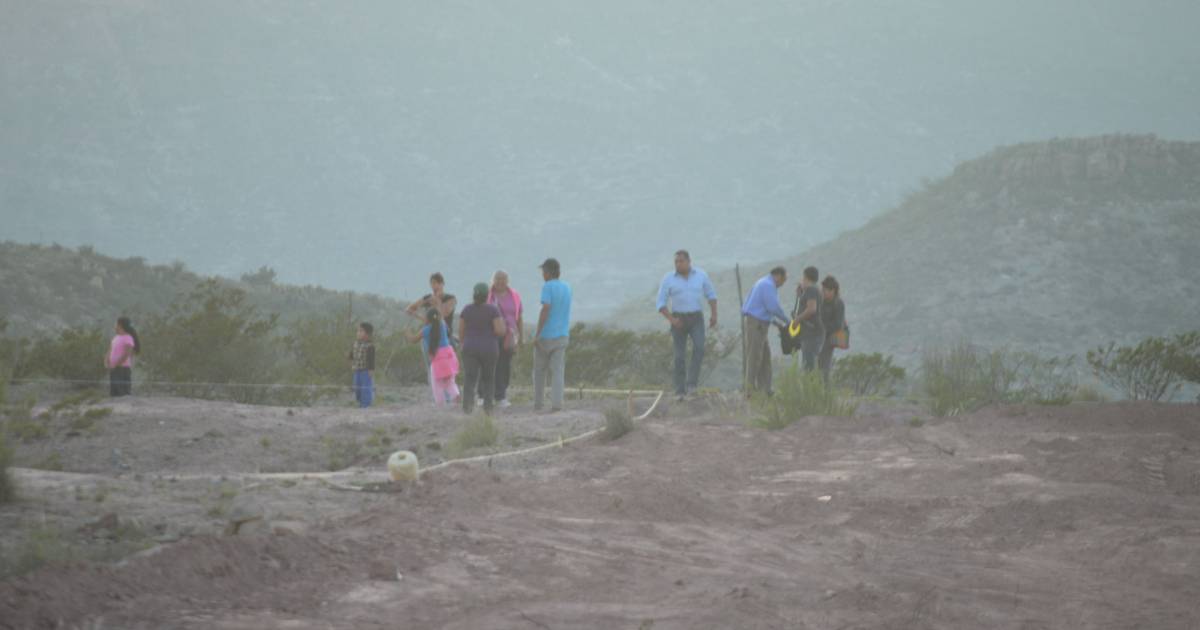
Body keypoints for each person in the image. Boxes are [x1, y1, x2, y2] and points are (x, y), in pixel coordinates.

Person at [656, 249, 718, 401]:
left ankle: (691, 384)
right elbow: (661, 303)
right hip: (678, 318)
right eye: (676, 262)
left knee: (699, 348)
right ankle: (680, 390)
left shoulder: (701, 275)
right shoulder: (668, 278)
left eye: (681, 261)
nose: (678, 264)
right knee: (679, 356)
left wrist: (714, 315)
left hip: (696, 318)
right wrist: (672, 319)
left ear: (689, 261)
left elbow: (711, 295)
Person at [459, 283, 506, 414]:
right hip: (489, 348)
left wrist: (464, 343)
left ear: (474, 295)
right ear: (487, 296)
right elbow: (500, 331)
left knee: (470, 378)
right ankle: (488, 409)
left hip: (470, 348)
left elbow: (461, 331)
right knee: (488, 379)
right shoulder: (493, 310)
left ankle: (467, 408)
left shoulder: (466, 309)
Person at [741, 267, 789, 395]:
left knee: (765, 358)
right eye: (783, 280)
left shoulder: (762, 282)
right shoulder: (768, 285)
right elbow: (773, 307)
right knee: (755, 356)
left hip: (760, 324)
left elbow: (763, 307)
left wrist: (776, 323)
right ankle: (749, 390)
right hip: (757, 325)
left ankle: (765, 389)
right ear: (778, 276)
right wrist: (788, 321)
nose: (782, 284)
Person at [533, 258, 572, 413]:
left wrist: (537, 333)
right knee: (558, 371)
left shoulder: (547, 286)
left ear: (548, 272)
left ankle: (538, 404)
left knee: (539, 371)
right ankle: (557, 404)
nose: (543, 274)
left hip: (546, 335)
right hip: (562, 334)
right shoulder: (567, 287)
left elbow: (546, 308)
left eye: (543, 271)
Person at [487, 270, 524, 408]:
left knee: (505, 365)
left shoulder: (515, 296)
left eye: (503, 279)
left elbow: (519, 317)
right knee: (492, 365)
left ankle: (501, 395)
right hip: (492, 334)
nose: (500, 281)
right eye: (497, 278)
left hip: (509, 336)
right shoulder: (488, 296)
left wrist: (521, 337)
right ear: (493, 280)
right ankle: (493, 395)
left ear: (507, 281)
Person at [409, 308, 459, 407]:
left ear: (428, 319)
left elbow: (413, 340)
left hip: (437, 359)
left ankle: (440, 403)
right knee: (450, 381)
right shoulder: (442, 324)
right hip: (449, 356)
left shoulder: (426, 330)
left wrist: (407, 333)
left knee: (437, 383)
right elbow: (433, 320)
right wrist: (417, 315)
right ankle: (456, 396)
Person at [406, 272, 458, 347]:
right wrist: (421, 317)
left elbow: (443, 315)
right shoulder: (428, 298)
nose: (434, 286)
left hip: (446, 336)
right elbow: (409, 309)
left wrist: (437, 301)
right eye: (432, 283)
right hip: (429, 336)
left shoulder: (450, 298)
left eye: (436, 283)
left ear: (442, 284)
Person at [793, 266, 825, 372]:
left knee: (808, 366)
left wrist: (797, 320)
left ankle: (810, 382)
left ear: (806, 277)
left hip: (811, 333)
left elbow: (812, 309)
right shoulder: (815, 290)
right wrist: (801, 294)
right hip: (812, 332)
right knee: (809, 364)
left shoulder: (811, 289)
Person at [818, 275, 845, 384]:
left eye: (825, 290)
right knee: (816, 365)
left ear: (832, 291)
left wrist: (822, 327)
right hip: (819, 337)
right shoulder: (821, 301)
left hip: (829, 339)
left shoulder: (838, 304)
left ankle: (825, 390)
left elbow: (838, 325)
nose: (823, 292)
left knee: (824, 366)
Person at [104, 317, 140, 397]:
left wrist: (116, 364)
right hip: (114, 368)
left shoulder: (128, 338)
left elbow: (126, 354)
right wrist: (106, 361)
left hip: (123, 369)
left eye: (116, 324)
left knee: (123, 392)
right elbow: (110, 350)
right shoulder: (115, 337)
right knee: (114, 392)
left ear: (120, 325)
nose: (114, 326)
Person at [348, 322, 376, 408]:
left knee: (365, 388)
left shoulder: (370, 346)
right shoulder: (355, 344)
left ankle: (366, 405)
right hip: (357, 370)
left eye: (361, 331)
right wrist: (350, 360)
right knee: (357, 388)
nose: (358, 333)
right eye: (358, 331)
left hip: (365, 371)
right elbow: (352, 354)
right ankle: (360, 402)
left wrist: (371, 370)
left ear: (367, 334)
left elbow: (371, 359)